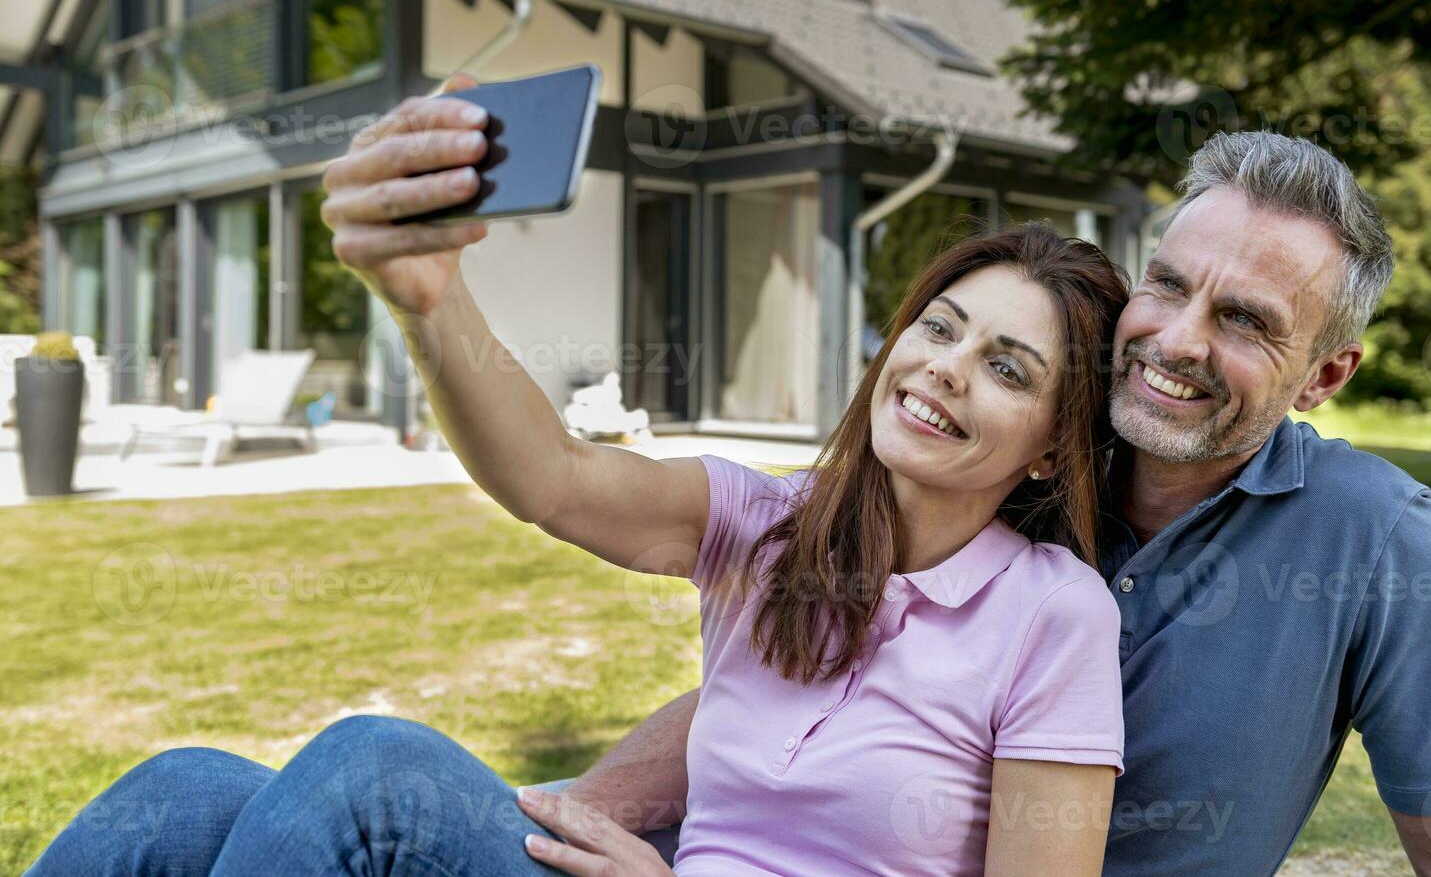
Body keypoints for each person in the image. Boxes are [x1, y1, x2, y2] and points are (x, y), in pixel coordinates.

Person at [26, 74, 1135, 875]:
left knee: (374, 769)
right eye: (936, 325)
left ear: (1047, 441)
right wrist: (430, 300)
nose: (943, 367)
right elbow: (549, 476)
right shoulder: (768, 522)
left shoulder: (1051, 617)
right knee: (185, 789)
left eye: (1003, 365)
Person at [562, 131, 1431, 875]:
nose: (1178, 340)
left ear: (1326, 374)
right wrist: (560, 821)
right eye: (1168, 285)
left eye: (1245, 320)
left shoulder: (1378, 542)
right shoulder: (1013, 452)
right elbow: (793, 687)